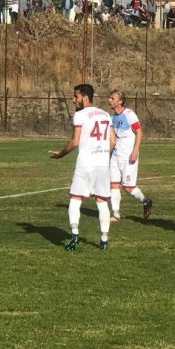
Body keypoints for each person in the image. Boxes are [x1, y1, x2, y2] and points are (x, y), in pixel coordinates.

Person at [49, 84, 113, 251]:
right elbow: (113, 141)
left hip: (85, 163)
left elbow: (75, 141)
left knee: (76, 198)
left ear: (85, 98)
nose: (73, 99)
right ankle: (104, 239)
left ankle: (75, 235)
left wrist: (60, 154)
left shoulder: (80, 115)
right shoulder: (106, 114)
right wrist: (104, 154)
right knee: (101, 201)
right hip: (103, 164)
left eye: (75, 96)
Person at [107, 90, 153, 222]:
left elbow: (139, 132)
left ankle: (146, 201)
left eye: (113, 98)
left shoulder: (129, 114)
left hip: (128, 156)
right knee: (114, 184)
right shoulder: (112, 118)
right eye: (110, 98)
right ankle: (115, 214)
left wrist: (135, 150)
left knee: (128, 187)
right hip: (115, 156)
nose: (109, 100)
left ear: (120, 101)